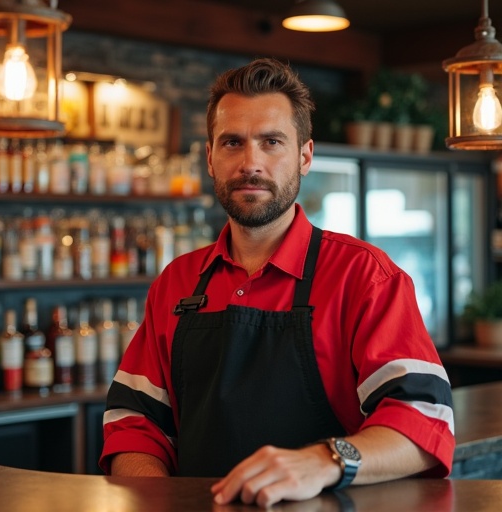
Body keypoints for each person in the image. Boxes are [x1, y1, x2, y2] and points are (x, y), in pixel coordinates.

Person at [100, 57, 455, 508]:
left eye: (272, 142)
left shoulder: (364, 276)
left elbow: (424, 419)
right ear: (210, 158)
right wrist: (160, 498)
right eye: (232, 143)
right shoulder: (178, 282)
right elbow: (135, 421)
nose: (251, 163)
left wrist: (326, 460)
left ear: (305, 156)